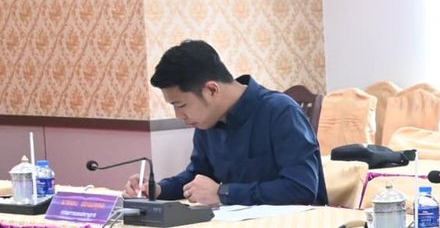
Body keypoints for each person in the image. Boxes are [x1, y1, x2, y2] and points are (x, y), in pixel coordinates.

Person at [129, 40, 326, 206]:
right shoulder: (207, 121)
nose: (179, 115)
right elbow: (197, 176)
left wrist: (223, 193)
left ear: (212, 90)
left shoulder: (281, 111)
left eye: (181, 105)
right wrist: (157, 190)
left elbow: (302, 188)